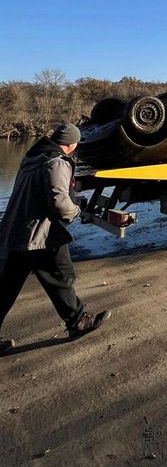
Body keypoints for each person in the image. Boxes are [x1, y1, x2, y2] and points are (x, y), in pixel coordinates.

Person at [0, 123, 110, 356]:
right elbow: (59, 203)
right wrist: (76, 211)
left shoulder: (33, 158)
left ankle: (77, 320)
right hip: (39, 235)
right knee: (60, 276)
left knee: (6, 288)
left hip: (17, 232)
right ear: (71, 144)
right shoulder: (57, 162)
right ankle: (79, 322)